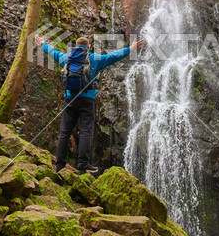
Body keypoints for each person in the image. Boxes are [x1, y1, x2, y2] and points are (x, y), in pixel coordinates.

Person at [35, 35, 144, 174]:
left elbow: (53, 52)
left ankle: (59, 166)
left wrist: (43, 43)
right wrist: (131, 48)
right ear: (88, 47)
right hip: (87, 100)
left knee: (64, 132)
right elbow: (113, 56)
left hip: (69, 99)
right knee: (86, 131)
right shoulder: (94, 59)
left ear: (75, 46)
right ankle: (83, 164)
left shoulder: (66, 58)